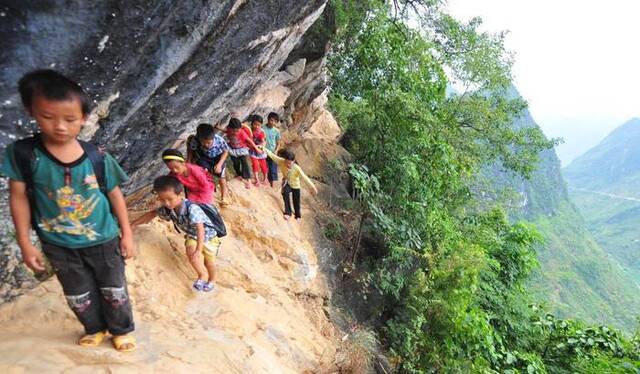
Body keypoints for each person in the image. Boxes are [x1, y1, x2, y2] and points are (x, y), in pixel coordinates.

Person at [1, 69, 136, 352]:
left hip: (103, 239)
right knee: (77, 293)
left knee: (114, 289)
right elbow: (18, 197)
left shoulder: (97, 157)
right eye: (48, 117)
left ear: (84, 118)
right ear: (32, 112)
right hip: (58, 244)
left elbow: (114, 194)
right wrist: (25, 243)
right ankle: (94, 328)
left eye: (70, 119)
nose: (60, 126)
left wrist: (127, 234)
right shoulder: (25, 155)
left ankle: (121, 330)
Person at [132, 176, 220, 292]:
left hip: (209, 237)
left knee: (209, 261)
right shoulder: (169, 209)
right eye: (162, 200)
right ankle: (202, 275)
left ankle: (212, 280)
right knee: (191, 253)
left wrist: (199, 250)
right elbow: (153, 213)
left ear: (180, 195)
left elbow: (200, 229)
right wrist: (133, 224)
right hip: (192, 235)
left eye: (170, 199)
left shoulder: (192, 208)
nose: (167, 203)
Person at [263, 148, 318, 220]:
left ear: (293, 161)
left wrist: (313, 187)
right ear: (284, 160)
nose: (288, 164)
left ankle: (298, 215)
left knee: (296, 201)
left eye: (290, 163)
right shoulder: (281, 161)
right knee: (285, 193)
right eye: (286, 162)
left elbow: (305, 178)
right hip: (288, 183)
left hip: (296, 185)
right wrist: (263, 148)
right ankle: (288, 212)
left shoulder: (297, 168)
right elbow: (272, 155)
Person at [185, 124, 229, 205]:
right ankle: (207, 193)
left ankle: (224, 196)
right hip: (204, 158)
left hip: (218, 157)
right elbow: (190, 151)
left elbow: (226, 151)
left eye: (209, 143)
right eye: (204, 142)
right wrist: (188, 162)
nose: (206, 145)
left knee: (221, 175)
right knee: (204, 173)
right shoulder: (194, 141)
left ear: (213, 138)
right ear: (199, 137)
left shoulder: (219, 140)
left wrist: (219, 164)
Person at [226, 117, 261, 189]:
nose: (235, 132)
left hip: (242, 149)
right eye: (234, 131)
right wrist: (218, 128)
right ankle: (238, 174)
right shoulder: (229, 129)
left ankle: (248, 180)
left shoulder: (241, 132)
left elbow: (249, 140)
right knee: (235, 163)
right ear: (230, 128)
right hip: (233, 150)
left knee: (245, 162)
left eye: (237, 131)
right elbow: (225, 131)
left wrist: (256, 148)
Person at [249, 115, 268, 186]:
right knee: (255, 164)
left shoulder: (261, 132)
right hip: (253, 150)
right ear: (252, 123)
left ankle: (265, 179)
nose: (257, 126)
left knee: (263, 165)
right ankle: (257, 180)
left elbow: (263, 141)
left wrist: (262, 147)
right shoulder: (249, 130)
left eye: (259, 125)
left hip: (260, 150)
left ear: (261, 125)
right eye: (255, 124)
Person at [263, 112, 282, 187]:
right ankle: (266, 180)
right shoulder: (262, 128)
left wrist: (276, 150)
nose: (272, 122)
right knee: (264, 166)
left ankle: (272, 183)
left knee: (273, 167)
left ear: (276, 122)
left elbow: (278, 142)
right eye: (271, 120)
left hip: (272, 151)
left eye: (274, 121)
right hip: (263, 150)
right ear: (268, 119)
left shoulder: (276, 131)